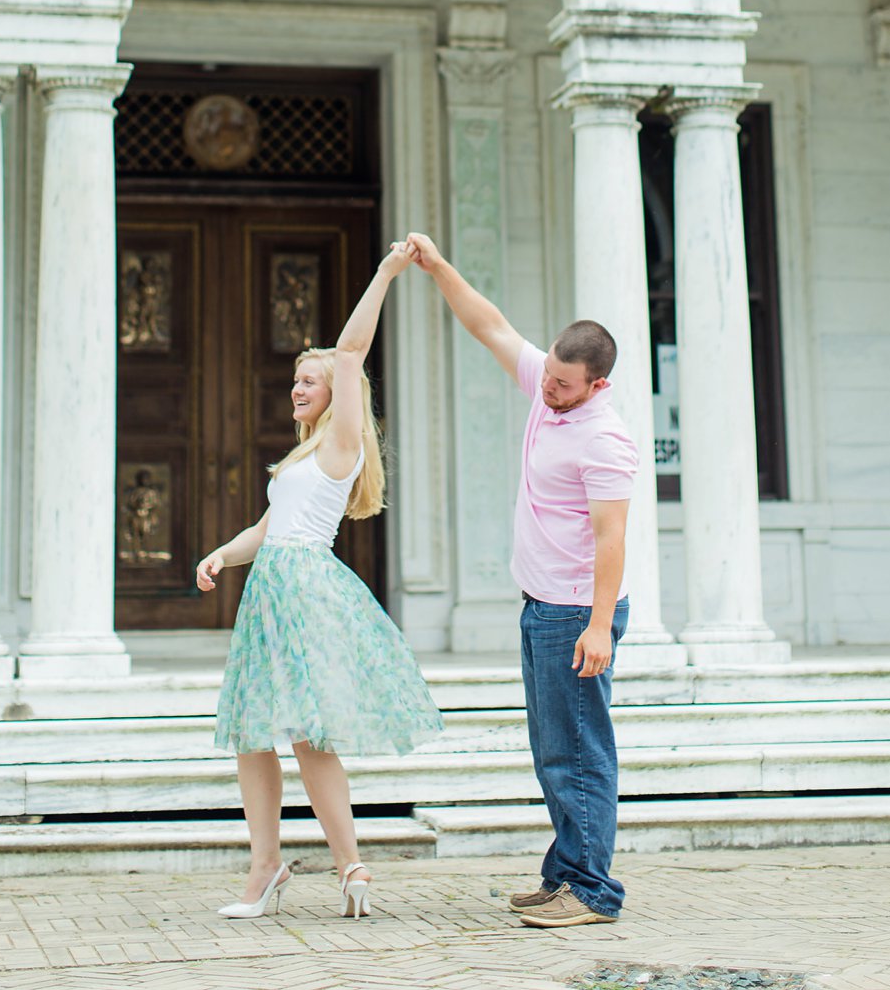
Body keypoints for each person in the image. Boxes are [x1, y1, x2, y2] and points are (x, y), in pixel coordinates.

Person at [198, 242, 443, 921]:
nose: (299, 388)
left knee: (306, 735)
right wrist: (223, 552)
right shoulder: (301, 458)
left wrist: (388, 271)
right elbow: (266, 528)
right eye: (298, 381)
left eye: (311, 380)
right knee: (259, 732)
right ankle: (295, 864)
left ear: (337, 394)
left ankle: (312, 862)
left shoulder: (340, 443)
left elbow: (352, 348)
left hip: (301, 591)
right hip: (272, 588)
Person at [405, 231, 634, 929]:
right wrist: (439, 266)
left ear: (599, 384)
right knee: (552, 750)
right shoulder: (547, 387)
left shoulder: (605, 436)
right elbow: (489, 323)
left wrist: (599, 624)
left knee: (579, 751)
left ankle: (593, 891)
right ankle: (564, 871)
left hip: (575, 614)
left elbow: (611, 536)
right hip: (544, 608)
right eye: (549, 378)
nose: (550, 390)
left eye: (565, 384)